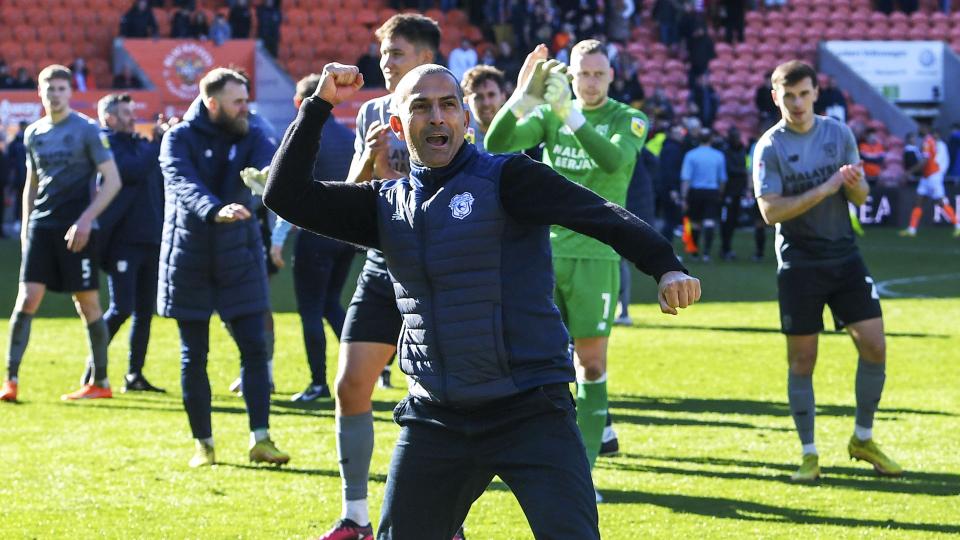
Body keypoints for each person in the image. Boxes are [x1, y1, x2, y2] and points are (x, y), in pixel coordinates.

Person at [264, 60, 700, 540]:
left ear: (464, 120)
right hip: (437, 416)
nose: (437, 117)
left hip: (530, 409)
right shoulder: (382, 206)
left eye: (449, 105)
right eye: (421, 107)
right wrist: (319, 103)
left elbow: (600, 215)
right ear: (396, 124)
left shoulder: (510, 177)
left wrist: (665, 265)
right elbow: (286, 196)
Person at [485, 40, 650, 501]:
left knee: (591, 363)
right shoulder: (553, 112)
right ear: (572, 75)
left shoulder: (627, 118)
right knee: (535, 359)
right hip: (547, 254)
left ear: (612, 76)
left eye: (599, 74)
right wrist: (524, 96)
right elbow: (497, 143)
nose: (591, 82)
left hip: (597, 257)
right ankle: (528, 460)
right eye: (583, 74)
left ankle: (585, 474)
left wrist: (566, 112)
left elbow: (613, 160)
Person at [314, 14, 443, 539]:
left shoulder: (444, 110)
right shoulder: (370, 110)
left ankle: (443, 519)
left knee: (436, 398)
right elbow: (348, 194)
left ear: (427, 58)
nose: (386, 64)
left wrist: (394, 179)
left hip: (435, 270)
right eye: (385, 54)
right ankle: (356, 517)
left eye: (398, 53)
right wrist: (369, 162)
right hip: (380, 265)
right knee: (349, 386)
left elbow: (456, 197)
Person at [752, 60, 902, 482]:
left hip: (845, 257)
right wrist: (826, 188)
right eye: (788, 95)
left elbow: (860, 197)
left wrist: (854, 183)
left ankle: (863, 438)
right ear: (775, 97)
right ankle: (809, 453)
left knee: (874, 346)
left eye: (804, 93)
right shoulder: (769, 146)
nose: (797, 103)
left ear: (816, 93)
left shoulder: (839, 134)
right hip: (799, 263)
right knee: (803, 360)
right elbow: (770, 210)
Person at [157, 67, 289, 467]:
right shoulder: (177, 138)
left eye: (246, 99)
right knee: (192, 355)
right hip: (188, 259)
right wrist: (214, 210)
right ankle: (204, 444)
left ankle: (261, 439)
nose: (244, 107)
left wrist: (271, 178)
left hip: (241, 257)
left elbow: (271, 161)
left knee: (254, 347)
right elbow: (182, 183)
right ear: (212, 104)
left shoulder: (250, 131)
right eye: (237, 101)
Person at [0, 65, 122, 403]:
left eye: (60, 89)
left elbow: (112, 181)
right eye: (48, 88)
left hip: (78, 229)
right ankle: (10, 381)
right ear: (39, 92)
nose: (54, 94)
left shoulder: (86, 130)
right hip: (43, 226)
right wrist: (27, 228)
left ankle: (100, 382)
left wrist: (85, 220)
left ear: (70, 92)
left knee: (87, 303)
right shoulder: (34, 133)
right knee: (26, 299)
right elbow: (32, 183)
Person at [269, 74, 357, 402]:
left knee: (311, 310)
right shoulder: (348, 137)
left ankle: (318, 383)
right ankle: (376, 365)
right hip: (345, 235)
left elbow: (287, 193)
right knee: (333, 304)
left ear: (299, 103)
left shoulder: (304, 137)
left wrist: (278, 238)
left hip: (315, 234)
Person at [90, 93, 167, 392]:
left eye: (132, 112)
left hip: (150, 239)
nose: (132, 117)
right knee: (121, 308)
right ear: (108, 117)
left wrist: (161, 140)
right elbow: (130, 171)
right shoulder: (104, 145)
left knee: (145, 312)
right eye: (124, 113)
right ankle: (93, 368)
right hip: (122, 242)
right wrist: (157, 141)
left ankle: (135, 375)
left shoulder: (137, 143)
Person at [900, 125, 959, 237]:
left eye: (921, 127)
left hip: (933, 176)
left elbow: (925, 161)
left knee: (941, 202)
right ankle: (912, 229)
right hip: (926, 176)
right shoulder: (929, 141)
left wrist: (909, 172)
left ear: (926, 128)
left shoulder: (927, 141)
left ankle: (958, 225)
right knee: (918, 201)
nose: (918, 129)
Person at [680, 128, 726, 261]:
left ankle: (694, 252)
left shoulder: (691, 155)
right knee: (709, 222)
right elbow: (722, 178)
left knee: (695, 222)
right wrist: (720, 193)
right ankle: (706, 252)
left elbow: (686, 178)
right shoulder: (718, 155)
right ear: (711, 139)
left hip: (695, 191)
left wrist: (684, 197)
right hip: (712, 191)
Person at [460, 64, 507, 152]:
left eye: (491, 95)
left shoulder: (518, 132)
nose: (486, 103)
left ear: (503, 97)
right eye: (478, 97)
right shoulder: (457, 140)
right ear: (466, 100)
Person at [720, 127, 748, 260]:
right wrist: (743, 171)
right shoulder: (725, 151)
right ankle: (725, 249)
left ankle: (727, 248)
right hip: (728, 192)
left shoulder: (742, 150)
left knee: (733, 221)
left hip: (738, 191)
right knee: (727, 222)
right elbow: (729, 169)